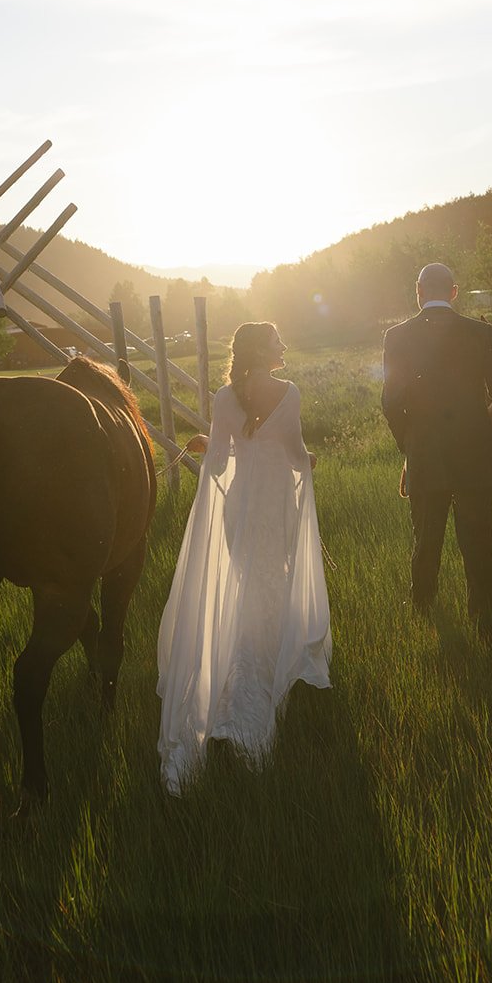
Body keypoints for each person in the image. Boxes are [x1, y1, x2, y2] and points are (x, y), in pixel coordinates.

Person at [157, 322, 331, 792]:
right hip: (274, 507)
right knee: (268, 594)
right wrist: (308, 459)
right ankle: (251, 709)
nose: (285, 346)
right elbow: (295, 454)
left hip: (239, 507)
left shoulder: (226, 395)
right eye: (278, 341)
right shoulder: (288, 393)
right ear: (262, 348)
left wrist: (211, 447)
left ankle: (233, 683)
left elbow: (219, 456)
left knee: (245, 590)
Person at [381, 263, 492, 638]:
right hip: (476, 453)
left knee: (426, 541)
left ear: (418, 291)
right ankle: (487, 623)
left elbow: (391, 402)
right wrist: (483, 427)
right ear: (455, 292)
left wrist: (410, 444)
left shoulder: (397, 336)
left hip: (425, 453)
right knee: (478, 543)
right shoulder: (482, 333)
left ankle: (424, 616)